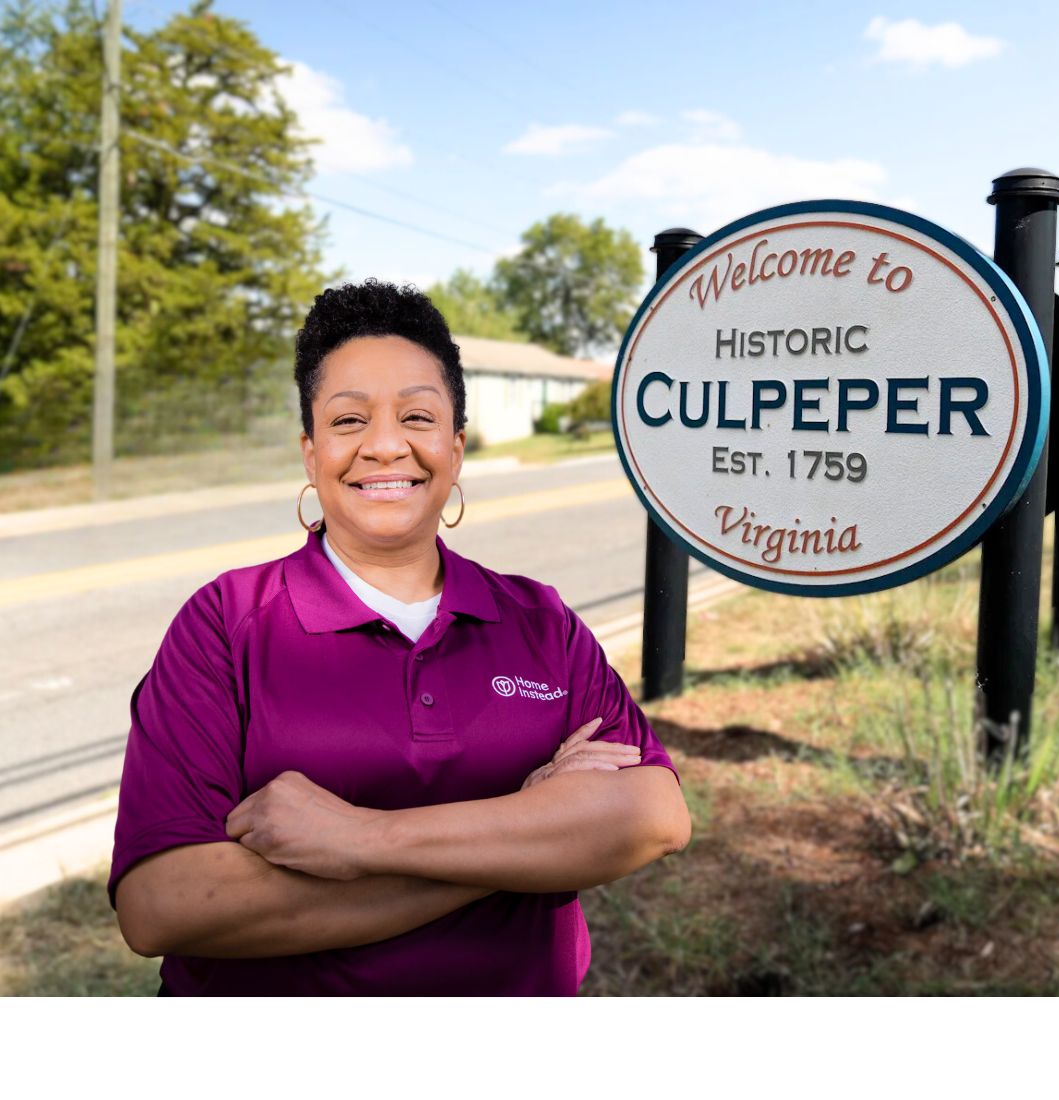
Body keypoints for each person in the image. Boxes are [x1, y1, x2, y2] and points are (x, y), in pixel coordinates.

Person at [109, 279, 690, 996]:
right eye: (349, 421)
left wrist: (360, 840)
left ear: (455, 445)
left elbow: (654, 816)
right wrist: (529, 837)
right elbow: (162, 904)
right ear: (310, 451)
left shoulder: (541, 620)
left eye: (417, 416)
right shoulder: (226, 623)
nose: (386, 446)